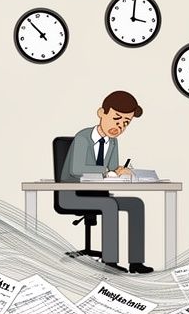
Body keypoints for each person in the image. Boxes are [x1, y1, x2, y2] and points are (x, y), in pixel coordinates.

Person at [58, 91, 153, 274]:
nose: (119, 126)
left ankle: (136, 262)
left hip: (98, 194)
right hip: (72, 195)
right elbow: (77, 169)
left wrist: (121, 172)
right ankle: (110, 263)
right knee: (109, 205)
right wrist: (107, 171)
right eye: (116, 118)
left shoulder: (113, 142)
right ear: (102, 113)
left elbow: (111, 171)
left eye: (126, 123)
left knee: (136, 204)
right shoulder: (83, 138)